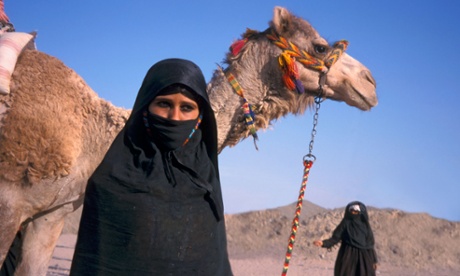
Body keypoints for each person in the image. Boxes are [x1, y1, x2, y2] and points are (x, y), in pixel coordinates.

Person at [70, 58, 233, 275]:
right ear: (146, 106)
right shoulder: (109, 183)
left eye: (187, 107)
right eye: (164, 104)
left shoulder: (206, 188)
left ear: (200, 116)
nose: (174, 117)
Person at [313, 201, 378, 276]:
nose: (353, 213)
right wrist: (324, 243)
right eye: (352, 211)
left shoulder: (365, 226)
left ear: (360, 213)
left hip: (364, 258)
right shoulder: (346, 223)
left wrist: (374, 261)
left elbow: (370, 245)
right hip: (348, 256)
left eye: (355, 211)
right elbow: (335, 238)